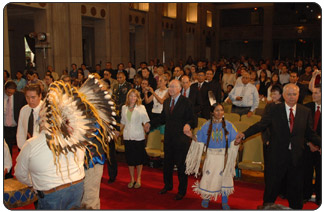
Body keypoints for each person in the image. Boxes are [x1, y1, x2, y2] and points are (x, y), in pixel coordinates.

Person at [15, 75, 117, 210]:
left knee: (90, 199)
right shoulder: (74, 122)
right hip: (75, 174)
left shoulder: (87, 120)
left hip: (91, 162)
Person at [235, 83, 321, 209]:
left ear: (298, 95)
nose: (292, 97)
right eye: (289, 94)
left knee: (296, 193)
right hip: (277, 157)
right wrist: (244, 134)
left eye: (294, 94)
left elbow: (310, 134)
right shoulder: (274, 109)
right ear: (284, 96)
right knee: (271, 190)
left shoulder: (305, 111)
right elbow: (261, 125)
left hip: (296, 159)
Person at [148, 79, 197, 200]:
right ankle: (168, 185)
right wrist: (150, 123)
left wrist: (188, 125)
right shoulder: (167, 102)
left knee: (181, 166)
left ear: (180, 89)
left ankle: (182, 191)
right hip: (169, 138)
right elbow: (162, 118)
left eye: (173, 87)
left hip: (181, 140)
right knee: (167, 165)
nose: (170, 89)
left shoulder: (186, 102)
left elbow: (193, 120)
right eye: (169, 86)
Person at [184, 103, 239, 209]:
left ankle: (224, 201)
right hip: (211, 155)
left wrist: (237, 141)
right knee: (208, 176)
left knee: (224, 178)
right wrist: (191, 136)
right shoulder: (206, 125)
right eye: (217, 110)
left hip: (224, 156)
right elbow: (199, 139)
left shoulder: (229, 125)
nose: (220, 112)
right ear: (212, 112)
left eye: (222, 110)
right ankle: (206, 198)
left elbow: (235, 141)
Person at [119, 89, 150, 189]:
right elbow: (123, 122)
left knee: (138, 159)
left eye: (134, 96)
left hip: (138, 136)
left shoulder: (141, 108)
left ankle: (139, 178)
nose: (132, 98)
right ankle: (132, 178)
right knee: (130, 159)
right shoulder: (124, 108)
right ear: (128, 97)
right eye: (131, 96)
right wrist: (117, 131)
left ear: (137, 98)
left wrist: (147, 126)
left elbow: (146, 121)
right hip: (127, 136)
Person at [303, 84, 321, 206]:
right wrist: (309, 143)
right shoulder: (307, 108)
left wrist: (320, 146)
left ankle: (320, 197)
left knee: (321, 173)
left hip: (321, 149)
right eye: (313, 93)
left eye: (316, 93)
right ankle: (306, 195)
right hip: (307, 146)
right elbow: (302, 128)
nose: (313, 95)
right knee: (306, 172)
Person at [16, 84, 43, 150]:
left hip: (41, 149)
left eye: (33, 97)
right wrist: (22, 148)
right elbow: (21, 131)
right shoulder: (24, 110)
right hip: (26, 148)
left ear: (40, 96)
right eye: (27, 97)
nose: (30, 101)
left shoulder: (46, 110)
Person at [4, 81, 27, 156]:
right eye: (8, 93)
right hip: (5, 127)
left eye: (12, 93)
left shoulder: (20, 96)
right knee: (7, 149)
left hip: (17, 126)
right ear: (5, 89)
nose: (10, 95)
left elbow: (25, 110)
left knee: (21, 146)